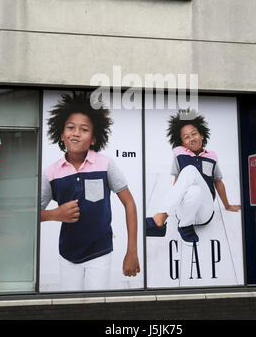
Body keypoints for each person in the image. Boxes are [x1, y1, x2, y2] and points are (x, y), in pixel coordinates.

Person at [41, 91, 140, 291]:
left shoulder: (105, 165)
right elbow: (29, 214)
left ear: (94, 138)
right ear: (61, 134)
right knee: (71, 309)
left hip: (100, 253)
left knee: (97, 308)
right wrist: (53, 214)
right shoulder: (51, 173)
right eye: (70, 128)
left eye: (83, 129)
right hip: (67, 255)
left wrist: (132, 251)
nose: (76, 133)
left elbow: (129, 203)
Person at [146, 110, 241, 243]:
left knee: (192, 175)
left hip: (205, 212)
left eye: (194, 134)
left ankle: (160, 218)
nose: (191, 138)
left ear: (202, 135)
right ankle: (185, 226)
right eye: (186, 137)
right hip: (183, 210)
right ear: (182, 143)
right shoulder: (179, 155)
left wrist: (227, 205)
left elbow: (218, 183)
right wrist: (174, 204)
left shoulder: (211, 157)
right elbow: (177, 183)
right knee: (193, 188)